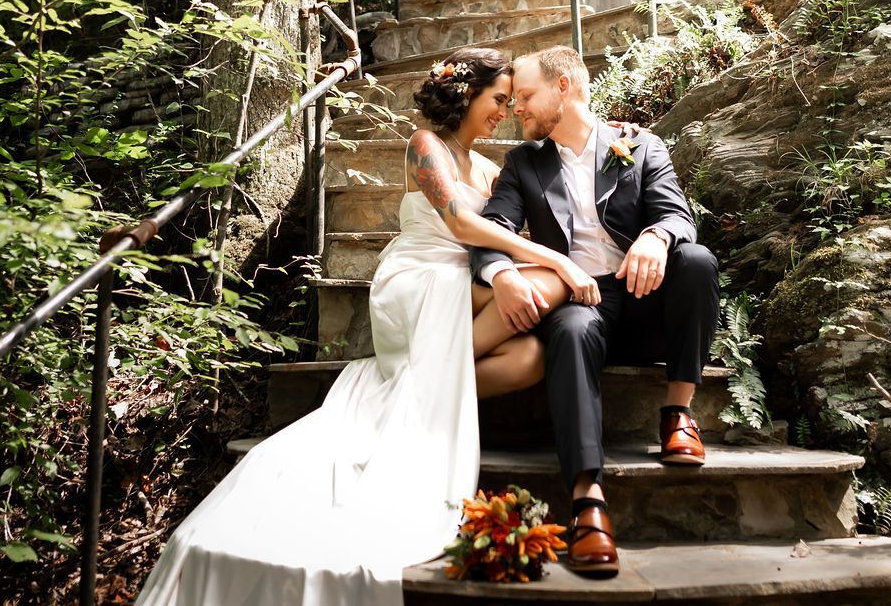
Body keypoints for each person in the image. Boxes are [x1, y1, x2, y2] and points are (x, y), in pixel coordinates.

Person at [134, 47, 600, 605]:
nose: (504, 110)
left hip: (464, 284)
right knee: (547, 282)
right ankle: (431, 373)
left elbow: (503, 225)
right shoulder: (425, 146)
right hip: (418, 278)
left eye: (510, 101)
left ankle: (422, 382)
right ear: (467, 94)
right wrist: (558, 262)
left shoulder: (493, 168)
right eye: (499, 99)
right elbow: (460, 223)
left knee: (531, 359)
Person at [471, 45, 720, 578]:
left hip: (647, 297)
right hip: (583, 302)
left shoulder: (639, 144)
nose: (517, 108)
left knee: (696, 261)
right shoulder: (523, 164)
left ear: (564, 88)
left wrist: (655, 236)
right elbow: (490, 233)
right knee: (572, 329)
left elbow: (679, 215)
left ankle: (677, 414)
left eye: (527, 96)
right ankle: (589, 502)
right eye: (513, 100)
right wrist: (504, 275)